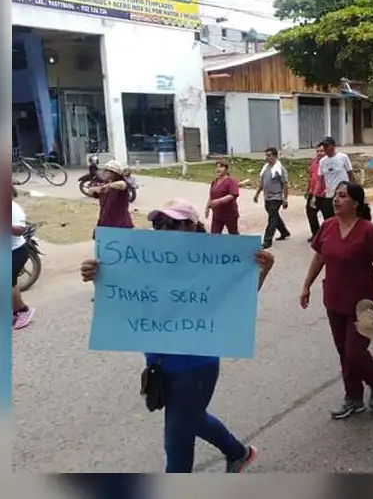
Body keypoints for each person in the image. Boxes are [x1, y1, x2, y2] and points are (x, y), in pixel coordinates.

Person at [79, 199, 273, 473]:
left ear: (193, 227)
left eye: (172, 223)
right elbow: (123, 299)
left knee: (177, 440)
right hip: (160, 365)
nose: (163, 229)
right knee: (195, 419)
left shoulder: (213, 264)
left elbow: (237, 304)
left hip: (196, 368)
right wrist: (97, 275)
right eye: (158, 223)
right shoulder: (148, 263)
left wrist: (263, 269)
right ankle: (238, 452)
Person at [300, 182, 373, 419]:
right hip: (334, 299)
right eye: (336, 195)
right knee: (343, 352)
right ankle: (353, 398)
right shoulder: (327, 227)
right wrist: (306, 285)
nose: (336, 199)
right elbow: (319, 258)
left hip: (363, 303)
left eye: (342, 196)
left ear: (355, 203)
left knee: (355, 351)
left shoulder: (368, 231)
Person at [253, 147, 290, 249]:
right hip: (267, 197)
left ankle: (267, 240)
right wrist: (257, 194)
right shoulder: (265, 168)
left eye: (269, 155)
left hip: (277, 197)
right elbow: (262, 183)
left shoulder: (280, 169)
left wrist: (285, 199)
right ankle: (284, 232)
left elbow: (285, 184)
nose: (267, 158)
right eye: (266, 155)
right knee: (274, 216)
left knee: (272, 219)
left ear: (275, 156)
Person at [88, 160, 135, 238]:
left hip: (121, 225)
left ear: (114, 173)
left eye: (107, 171)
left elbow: (123, 185)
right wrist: (93, 190)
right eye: (104, 170)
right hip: (105, 224)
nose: (104, 172)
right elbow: (92, 192)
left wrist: (109, 185)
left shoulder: (119, 186)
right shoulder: (103, 185)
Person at [11, 195, 35, 330]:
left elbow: (19, 231)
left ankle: (24, 310)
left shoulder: (13, 207)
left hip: (16, 251)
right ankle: (16, 310)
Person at [317, 136, 354, 220]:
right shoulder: (322, 161)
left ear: (333, 146)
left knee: (344, 217)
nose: (325, 148)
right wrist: (315, 195)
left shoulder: (343, 157)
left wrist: (353, 189)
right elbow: (320, 179)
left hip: (343, 194)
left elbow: (350, 174)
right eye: (324, 146)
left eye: (327, 145)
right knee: (329, 218)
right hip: (330, 195)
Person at [205, 160, 240, 235]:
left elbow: (233, 195)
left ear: (226, 169)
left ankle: (238, 246)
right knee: (214, 235)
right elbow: (211, 196)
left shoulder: (231, 181)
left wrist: (219, 201)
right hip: (217, 214)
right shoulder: (214, 182)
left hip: (230, 214)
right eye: (216, 167)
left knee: (233, 234)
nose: (218, 169)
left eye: (221, 167)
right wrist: (207, 207)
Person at [305, 146, 327, 242]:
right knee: (311, 213)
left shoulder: (329, 163)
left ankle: (328, 236)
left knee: (328, 217)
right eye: (317, 151)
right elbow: (311, 177)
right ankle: (316, 234)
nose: (319, 153)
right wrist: (308, 189)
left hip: (325, 195)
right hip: (313, 194)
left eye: (322, 151)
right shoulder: (314, 162)